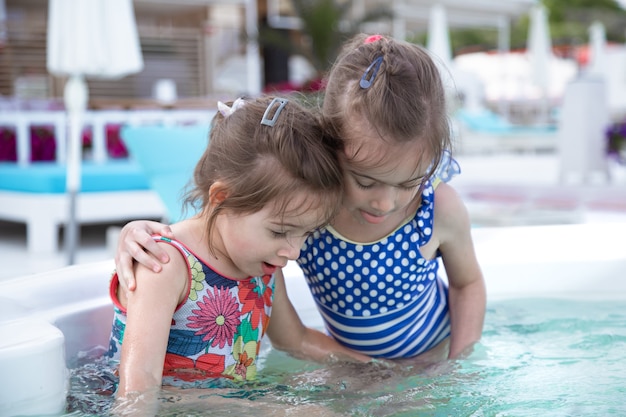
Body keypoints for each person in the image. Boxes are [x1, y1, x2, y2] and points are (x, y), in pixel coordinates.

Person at [114, 34, 486, 362]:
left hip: (436, 352)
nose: (386, 203)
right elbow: (223, 224)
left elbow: (467, 283)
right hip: (353, 364)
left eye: (410, 183)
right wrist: (138, 233)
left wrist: (459, 363)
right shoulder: (308, 209)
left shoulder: (437, 208)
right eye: (365, 181)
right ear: (334, 148)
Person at [106, 96, 370, 408]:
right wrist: (264, 412)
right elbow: (139, 388)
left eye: (306, 233)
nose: (295, 251)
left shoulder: (264, 266)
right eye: (280, 231)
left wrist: (371, 368)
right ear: (222, 199)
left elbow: (296, 340)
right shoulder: (165, 265)